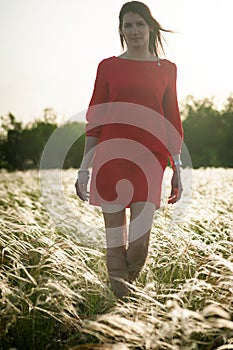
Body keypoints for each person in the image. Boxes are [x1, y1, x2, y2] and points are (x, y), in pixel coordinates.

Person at [75, 1, 183, 299]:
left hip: (151, 160)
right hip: (111, 158)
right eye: (128, 25)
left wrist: (177, 167)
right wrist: (85, 168)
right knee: (115, 242)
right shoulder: (108, 67)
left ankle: (122, 298)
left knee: (138, 245)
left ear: (150, 27)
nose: (133, 30)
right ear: (121, 30)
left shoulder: (167, 69)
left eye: (139, 24)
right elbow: (95, 119)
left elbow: (171, 119)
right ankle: (121, 312)